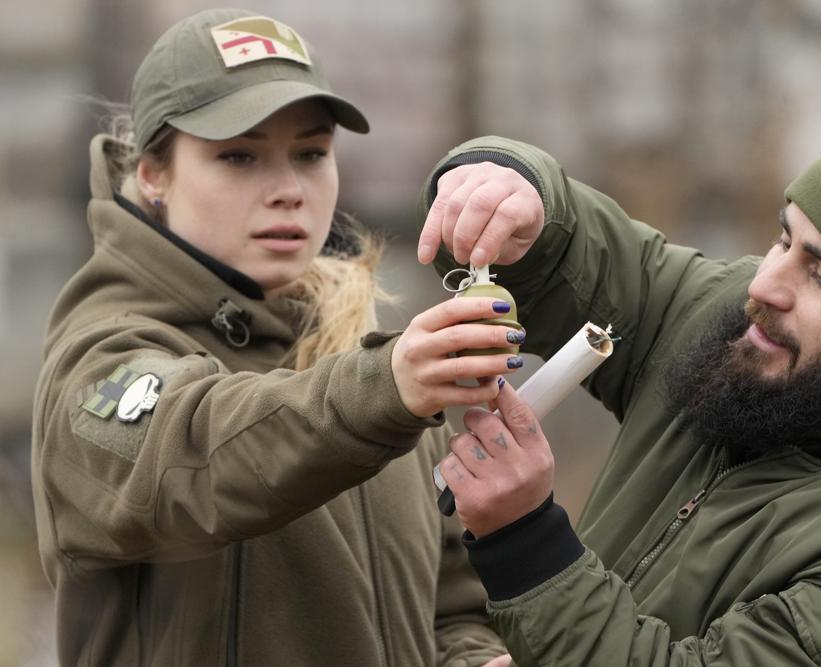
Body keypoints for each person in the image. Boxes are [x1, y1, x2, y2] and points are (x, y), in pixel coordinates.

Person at [31, 9, 519, 666]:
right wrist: (389, 388)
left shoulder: (368, 358)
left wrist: (475, 657)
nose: (289, 189)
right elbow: (196, 455)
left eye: (311, 153)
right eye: (239, 155)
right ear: (152, 173)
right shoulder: (104, 353)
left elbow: (451, 605)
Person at [417, 130, 821, 666]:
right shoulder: (749, 330)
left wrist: (526, 543)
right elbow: (584, 266)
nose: (765, 284)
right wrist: (509, 191)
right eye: (784, 240)